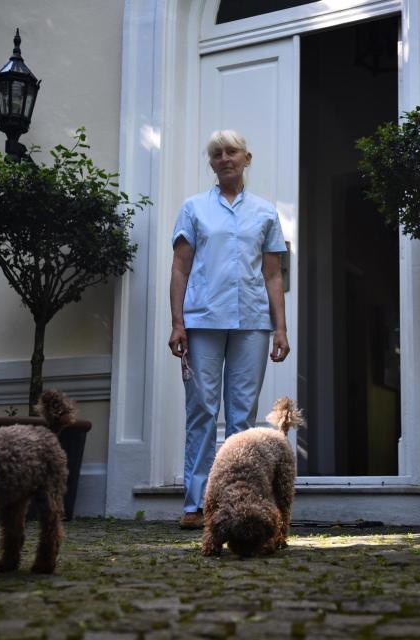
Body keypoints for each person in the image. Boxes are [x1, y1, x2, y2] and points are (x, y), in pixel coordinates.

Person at [169, 129, 289, 530]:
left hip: (252, 323)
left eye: (231, 151)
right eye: (216, 153)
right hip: (202, 321)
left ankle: (238, 502)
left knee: (243, 416)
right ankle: (196, 504)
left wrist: (281, 329)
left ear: (246, 158)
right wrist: (177, 323)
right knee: (201, 409)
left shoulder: (265, 213)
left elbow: (273, 275)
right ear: (212, 163)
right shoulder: (193, 208)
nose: (224, 158)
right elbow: (181, 267)